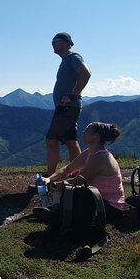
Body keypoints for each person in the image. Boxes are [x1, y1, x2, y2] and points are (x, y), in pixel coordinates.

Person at [41, 122, 127, 221]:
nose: (83, 132)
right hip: (98, 199)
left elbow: (79, 180)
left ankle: (56, 212)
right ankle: (56, 210)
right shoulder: (90, 152)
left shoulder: (101, 158)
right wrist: (48, 179)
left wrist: (56, 185)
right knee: (71, 188)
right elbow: (68, 169)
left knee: (73, 191)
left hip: (111, 206)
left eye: (87, 131)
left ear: (96, 136)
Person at [44, 32, 91, 178]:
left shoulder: (73, 57)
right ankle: (77, 174)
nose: (53, 43)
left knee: (51, 140)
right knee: (71, 141)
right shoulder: (66, 60)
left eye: (55, 41)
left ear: (66, 42)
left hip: (68, 107)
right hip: (69, 107)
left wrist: (73, 95)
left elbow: (86, 73)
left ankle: (51, 176)